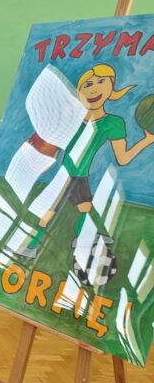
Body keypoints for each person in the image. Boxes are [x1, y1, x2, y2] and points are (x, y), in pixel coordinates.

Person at [16, 63, 154, 258]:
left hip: (79, 176)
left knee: (69, 210)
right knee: (59, 211)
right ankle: (33, 245)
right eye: (88, 84)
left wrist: (146, 141)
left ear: (111, 88)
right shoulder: (71, 119)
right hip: (66, 174)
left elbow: (123, 159)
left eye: (101, 82)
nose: (94, 89)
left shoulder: (113, 123)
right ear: (79, 92)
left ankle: (45, 244)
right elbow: (52, 142)